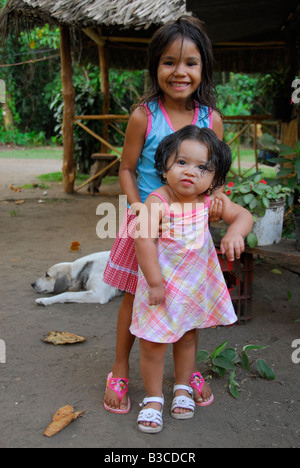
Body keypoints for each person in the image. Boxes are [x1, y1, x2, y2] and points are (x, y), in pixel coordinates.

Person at [103, 15, 224, 414]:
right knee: (135, 296)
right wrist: (137, 205)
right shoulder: (144, 115)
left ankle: (184, 375)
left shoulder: (211, 119)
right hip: (149, 224)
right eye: (169, 62)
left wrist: (219, 198)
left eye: (190, 62)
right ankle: (120, 368)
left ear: (203, 68)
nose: (179, 72)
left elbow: (216, 171)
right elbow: (125, 167)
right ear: (155, 66)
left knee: (186, 296)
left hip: (188, 232)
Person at [131, 126, 254, 433]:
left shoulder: (209, 200)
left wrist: (234, 232)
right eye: (181, 162)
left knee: (187, 337)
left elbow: (244, 216)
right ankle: (154, 398)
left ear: (215, 179)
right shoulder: (157, 202)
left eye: (203, 168)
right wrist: (155, 282)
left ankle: (183, 387)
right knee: (153, 343)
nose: (190, 173)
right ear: (164, 166)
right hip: (160, 286)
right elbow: (143, 239)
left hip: (193, 287)